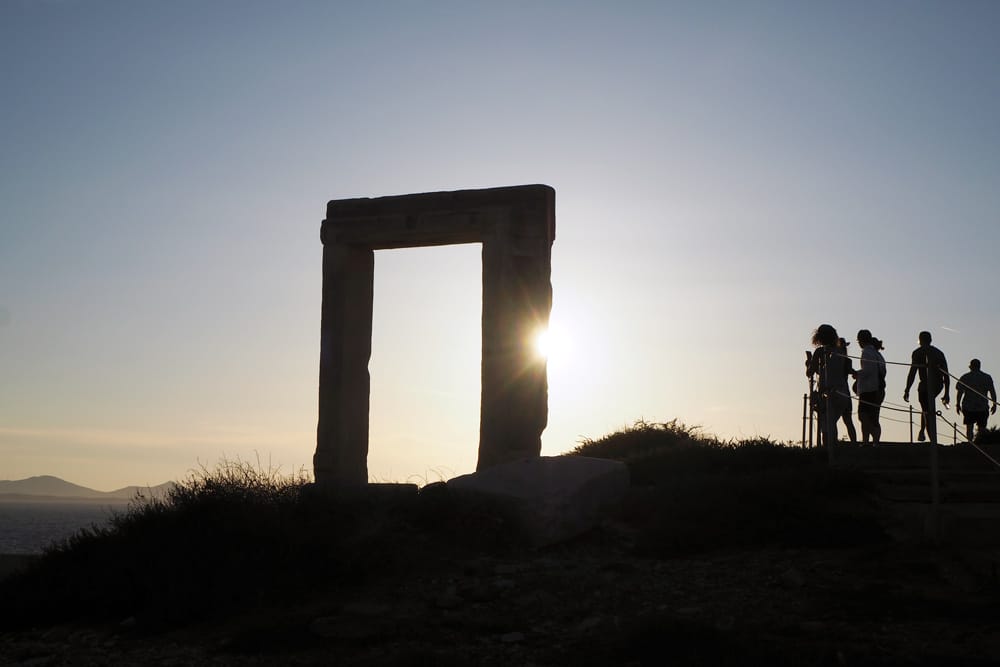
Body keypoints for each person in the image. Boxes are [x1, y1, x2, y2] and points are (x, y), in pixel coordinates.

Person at [806, 324, 852, 458]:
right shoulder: (841, 351)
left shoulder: (820, 352)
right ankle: (834, 450)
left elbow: (810, 372)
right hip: (842, 391)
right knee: (832, 423)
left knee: (826, 426)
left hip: (828, 392)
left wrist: (808, 363)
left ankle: (827, 453)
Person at [903, 331, 950, 443]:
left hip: (926, 385)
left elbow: (913, 372)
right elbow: (946, 375)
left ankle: (932, 439)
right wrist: (947, 393)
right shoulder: (939, 353)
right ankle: (923, 431)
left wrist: (907, 389)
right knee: (927, 409)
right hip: (938, 385)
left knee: (927, 411)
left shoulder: (917, 352)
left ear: (919, 340)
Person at [855, 329, 886, 444]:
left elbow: (868, 370)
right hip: (879, 388)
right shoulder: (878, 354)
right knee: (874, 417)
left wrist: (857, 374)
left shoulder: (866, 353)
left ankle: (873, 438)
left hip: (869, 389)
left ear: (861, 341)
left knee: (863, 416)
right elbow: (883, 371)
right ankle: (869, 442)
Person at [956, 359, 997, 443]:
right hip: (982, 406)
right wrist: (994, 404)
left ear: (971, 366)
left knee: (969, 427)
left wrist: (958, 404)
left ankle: (970, 443)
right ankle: (981, 443)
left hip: (968, 406)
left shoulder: (965, 377)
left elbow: (959, 392)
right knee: (982, 427)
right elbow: (992, 391)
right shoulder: (987, 377)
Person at [838, 338, 858, 443]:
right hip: (845, 392)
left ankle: (831, 445)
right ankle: (854, 443)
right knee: (848, 421)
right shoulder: (847, 361)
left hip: (838, 391)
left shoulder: (834, 360)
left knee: (833, 421)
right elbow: (851, 371)